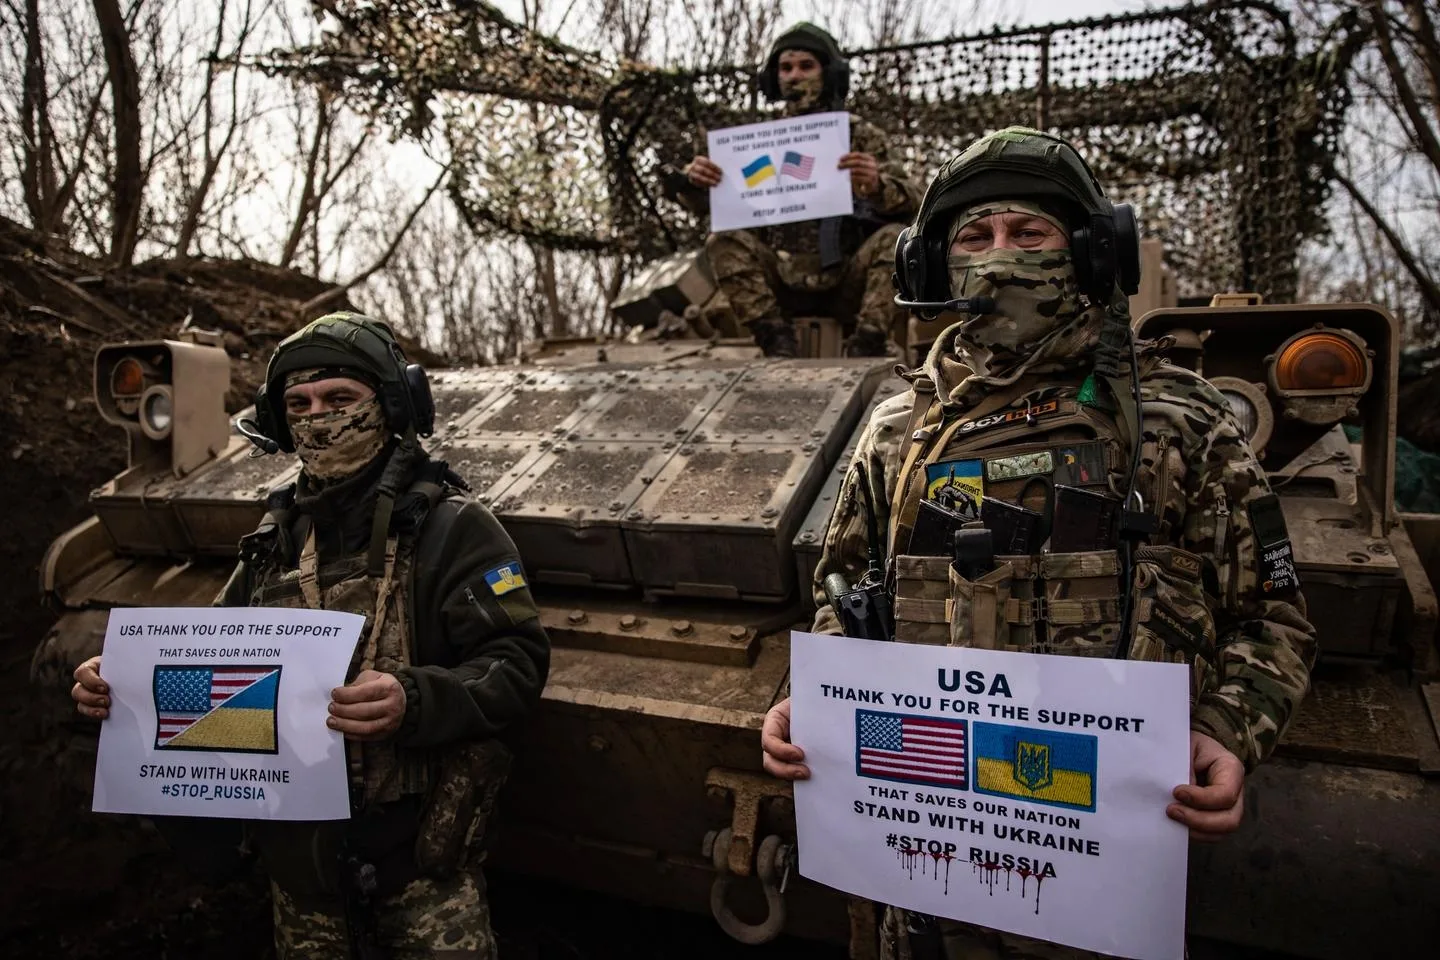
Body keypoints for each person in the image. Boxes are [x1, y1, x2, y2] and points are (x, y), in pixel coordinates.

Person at [760, 128, 1317, 958]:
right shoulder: (894, 433)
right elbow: (843, 594)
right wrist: (819, 704)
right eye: (975, 238)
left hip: (1107, 878)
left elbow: (1272, 615)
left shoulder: (1178, 422)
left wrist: (1230, 730)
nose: (1000, 256)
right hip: (926, 877)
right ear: (934, 268)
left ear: (1091, 254)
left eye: (1031, 235)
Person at [72, 312, 551, 959]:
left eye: (339, 399)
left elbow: (517, 662)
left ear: (388, 405)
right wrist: (122, 684)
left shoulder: (454, 530)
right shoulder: (273, 546)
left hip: (418, 873)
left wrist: (415, 698)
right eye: (298, 404)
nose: (317, 417)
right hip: (301, 876)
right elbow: (202, 665)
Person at [682, 22, 922, 358]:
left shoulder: (858, 137)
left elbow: (914, 199)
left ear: (829, 73)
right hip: (780, 282)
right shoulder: (755, 144)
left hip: (848, 283)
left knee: (897, 238)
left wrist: (876, 185)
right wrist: (698, 183)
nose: (794, 76)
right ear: (773, 78)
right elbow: (721, 208)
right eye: (785, 68)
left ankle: (867, 341)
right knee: (722, 242)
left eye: (806, 66)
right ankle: (775, 340)